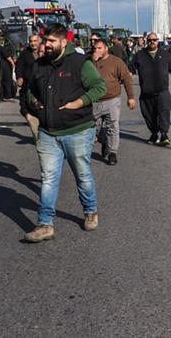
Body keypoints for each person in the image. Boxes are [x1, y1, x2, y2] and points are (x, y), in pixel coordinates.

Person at [22, 23, 107, 243]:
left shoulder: (79, 63)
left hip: (77, 130)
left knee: (82, 174)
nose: (46, 45)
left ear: (63, 42)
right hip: (48, 132)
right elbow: (29, 89)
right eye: (45, 40)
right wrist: (34, 104)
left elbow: (99, 88)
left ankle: (90, 211)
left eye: (51, 41)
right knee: (48, 178)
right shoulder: (39, 65)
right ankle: (45, 223)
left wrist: (78, 103)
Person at [132, 32, 171, 146]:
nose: (152, 42)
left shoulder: (165, 55)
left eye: (154, 40)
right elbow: (130, 69)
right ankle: (154, 134)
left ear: (158, 41)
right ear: (146, 41)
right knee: (149, 115)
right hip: (146, 93)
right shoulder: (140, 55)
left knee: (164, 113)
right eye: (150, 40)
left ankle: (164, 134)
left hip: (162, 92)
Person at [90, 37, 136, 165]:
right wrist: (92, 61)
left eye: (99, 48)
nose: (97, 50)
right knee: (94, 126)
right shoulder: (89, 61)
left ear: (106, 48)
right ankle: (103, 139)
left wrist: (131, 97)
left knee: (113, 126)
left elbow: (127, 79)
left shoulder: (116, 62)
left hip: (112, 99)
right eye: (95, 48)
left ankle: (112, 152)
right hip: (95, 101)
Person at [15, 33, 43, 140]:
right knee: (25, 108)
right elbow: (19, 67)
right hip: (28, 85)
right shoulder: (25, 54)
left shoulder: (45, 52)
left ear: (39, 42)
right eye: (31, 41)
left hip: (41, 88)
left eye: (35, 41)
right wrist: (19, 77)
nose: (33, 43)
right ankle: (36, 132)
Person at [0, 32, 17, 100]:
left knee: (8, 79)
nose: (1, 37)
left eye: (2, 35)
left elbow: (12, 50)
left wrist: (14, 58)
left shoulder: (8, 42)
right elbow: (2, 50)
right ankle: (0, 96)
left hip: (7, 63)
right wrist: (10, 59)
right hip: (0, 61)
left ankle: (8, 95)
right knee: (0, 79)